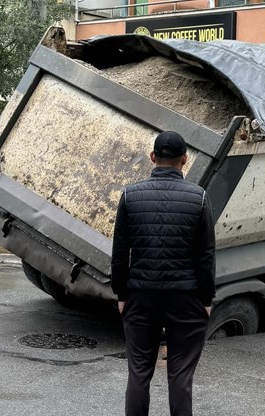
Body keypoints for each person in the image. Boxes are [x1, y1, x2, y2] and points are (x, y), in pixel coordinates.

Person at [111, 131, 215, 416]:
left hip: (141, 297)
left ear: (153, 157)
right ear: (185, 159)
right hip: (186, 298)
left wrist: (121, 294)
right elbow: (205, 256)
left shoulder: (130, 196)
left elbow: (120, 253)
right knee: (180, 376)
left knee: (139, 373)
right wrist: (206, 299)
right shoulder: (199, 198)